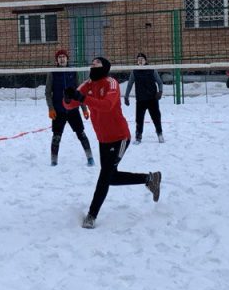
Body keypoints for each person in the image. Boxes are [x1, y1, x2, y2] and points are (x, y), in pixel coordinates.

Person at [64, 56, 162, 229]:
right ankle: (150, 178)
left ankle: (91, 215)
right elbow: (70, 105)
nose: (93, 65)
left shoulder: (111, 83)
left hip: (119, 137)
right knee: (110, 177)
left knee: (104, 177)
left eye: (97, 63)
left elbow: (107, 105)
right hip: (103, 139)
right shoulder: (87, 84)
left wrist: (81, 98)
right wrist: (68, 99)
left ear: (105, 67)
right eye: (92, 63)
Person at [44, 49, 94, 167]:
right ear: (57, 60)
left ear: (67, 59)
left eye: (64, 57)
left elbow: (80, 92)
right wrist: (51, 108)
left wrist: (84, 109)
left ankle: (90, 157)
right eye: (59, 57)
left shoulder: (73, 71)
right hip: (58, 110)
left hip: (73, 110)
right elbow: (47, 92)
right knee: (56, 137)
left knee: (81, 134)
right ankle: (54, 160)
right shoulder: (52, 73)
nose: (62, 59)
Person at [123, 52, 165, 144]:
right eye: (138, 59)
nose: (140, 61)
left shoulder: (152, 70)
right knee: (139, 119)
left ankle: (159, 133)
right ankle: (138, 136)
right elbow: (130, 84)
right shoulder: (134, 71)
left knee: (156, 117)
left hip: (152, 99)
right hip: (141, 99)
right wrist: (126, 96)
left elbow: (159, 82)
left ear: (145, 60)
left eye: (142, 59)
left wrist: (160, 91)